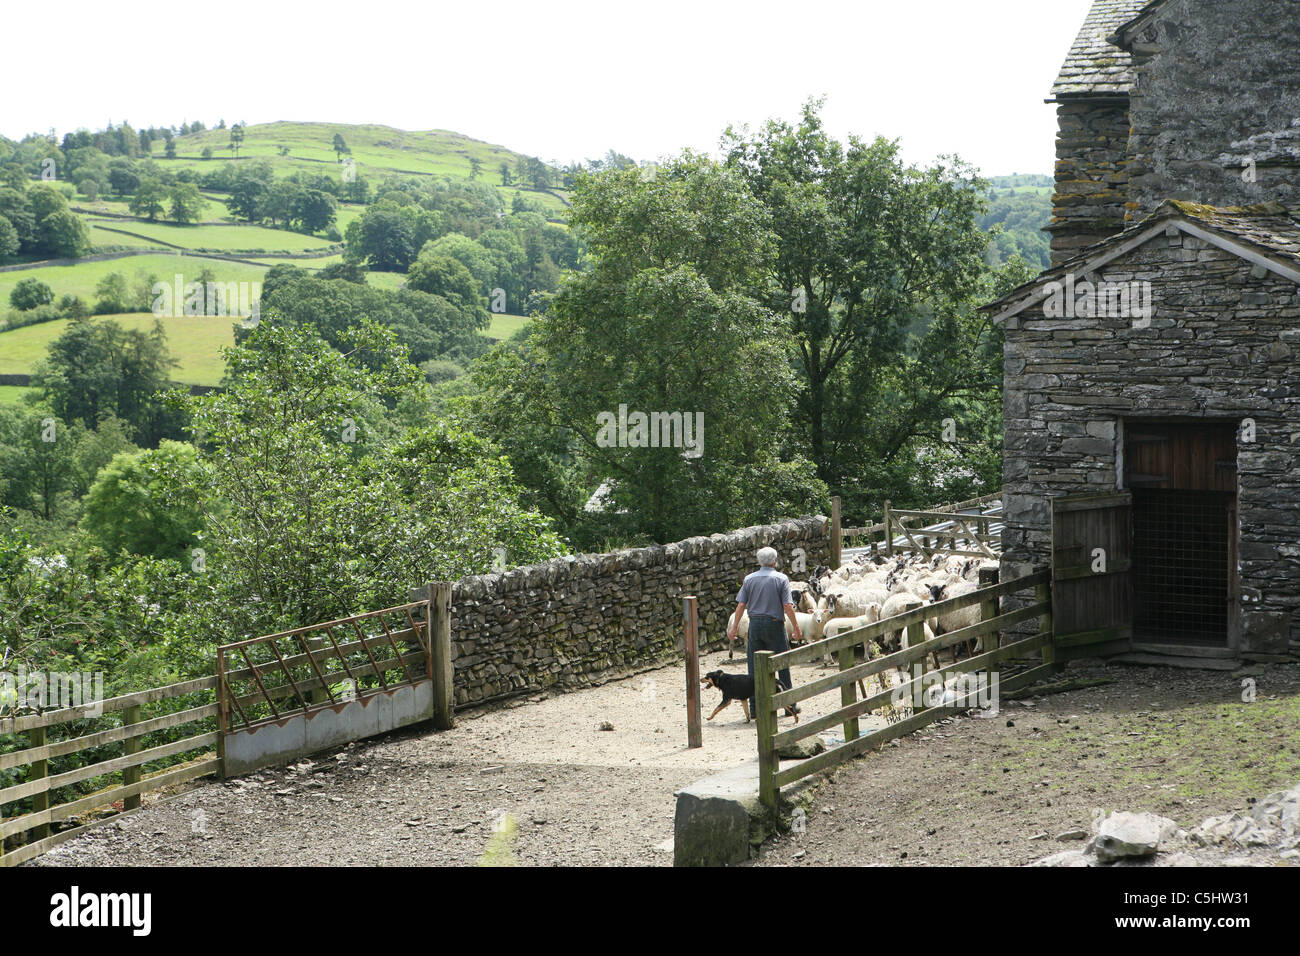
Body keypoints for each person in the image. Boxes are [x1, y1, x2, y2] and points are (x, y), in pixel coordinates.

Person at [727, 546, 801, 720]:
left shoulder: (749, 579)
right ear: (774, 561)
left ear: (759, 561)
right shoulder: (781, 579)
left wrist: (734, 627)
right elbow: (787, 606)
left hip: (754, 626)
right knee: (782, 664)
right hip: (775, 625)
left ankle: (755, 709)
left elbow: (740, 605)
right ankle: (789, 706)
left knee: (754, 668)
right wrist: (796, 627)